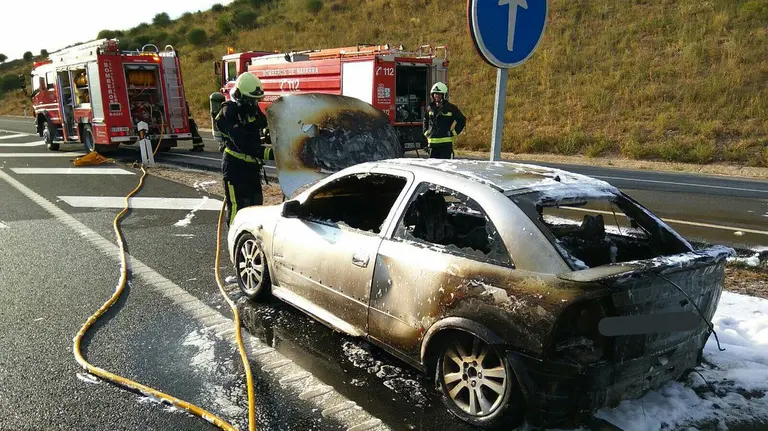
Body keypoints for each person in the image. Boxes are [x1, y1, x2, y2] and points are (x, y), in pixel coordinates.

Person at [214, 72, 270, 226]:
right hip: (235, 169)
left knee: (255, 207)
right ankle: (234, 239)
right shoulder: (229, 113)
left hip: (252, 168)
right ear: (240, 96)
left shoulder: (251, 108)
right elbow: (244, 144)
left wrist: (271, 133)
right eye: (251, 100)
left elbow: (264, 125)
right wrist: (271, 153)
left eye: (256, 100)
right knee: (238, 209)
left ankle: (250, 239)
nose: (254, 104)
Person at [422, 82, 466, 159]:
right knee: (432, 166)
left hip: (445, 146)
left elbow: (462, 120)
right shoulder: (430, 108)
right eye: (435, 94)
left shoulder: (451, 108)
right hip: (432, 146)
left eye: (439, 94)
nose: (437, 96)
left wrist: (453, 133)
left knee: (445, 165)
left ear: (444, 95)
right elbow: (425, 120)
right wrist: (426, 132)